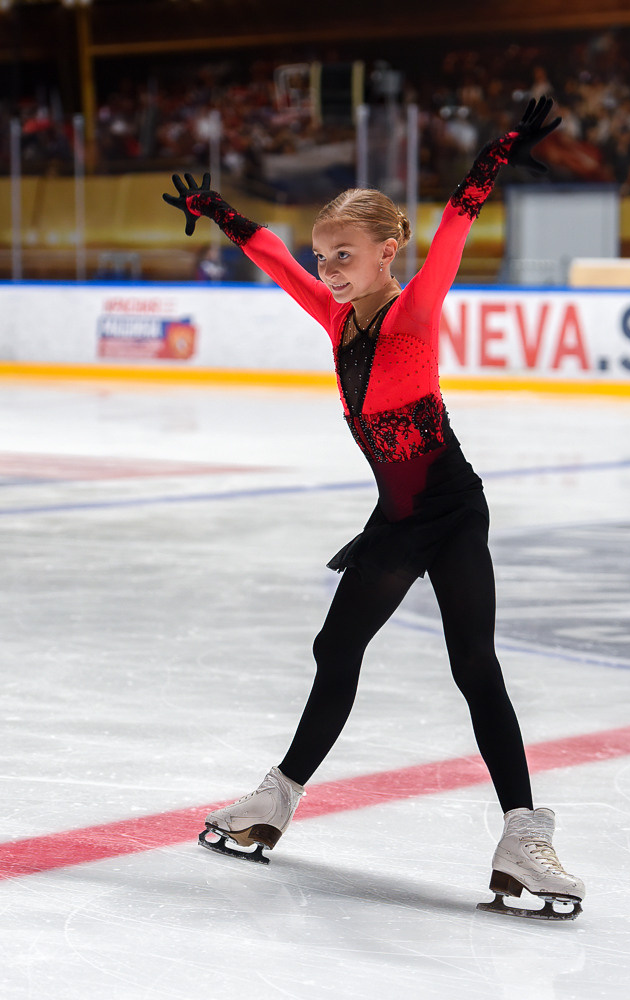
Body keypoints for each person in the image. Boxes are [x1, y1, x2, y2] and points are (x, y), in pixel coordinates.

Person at [163, 96, 584, 920]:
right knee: (336, 645)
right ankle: (275, 800)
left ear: (389, 253)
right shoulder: (334, 317)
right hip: (396, 523)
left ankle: (524, 838)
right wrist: (219, 211)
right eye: (326, 256)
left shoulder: (414, 311)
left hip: (454, 512)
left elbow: (460, 224)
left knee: (475, 665)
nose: (328, 269)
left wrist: (496, 153)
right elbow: (278, 261)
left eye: (345, 255)